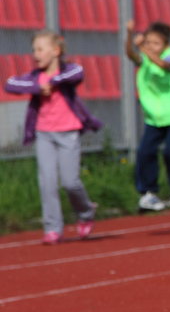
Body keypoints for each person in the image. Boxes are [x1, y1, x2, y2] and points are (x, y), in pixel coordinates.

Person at [4, 30, 101, 244]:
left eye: (40, 49)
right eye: (33, 50)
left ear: (55, 51)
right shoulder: (34, 77)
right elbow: (10, 83)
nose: (35, 54)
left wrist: (54, 81)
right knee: (47, 181)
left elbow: (77, 73)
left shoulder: (68, 71)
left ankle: (85, 212)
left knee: (70, 181)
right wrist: (38, 87)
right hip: (44, 133)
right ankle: (52, 228)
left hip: (68, 133)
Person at [124, 20, 170, 212]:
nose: (150, 46)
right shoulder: (144, 57)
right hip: (155, 116)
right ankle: (149, 193)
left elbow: (164, 65)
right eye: (148, 42)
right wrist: (129, 35)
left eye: (155, 43)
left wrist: (143, 49)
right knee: (145, 151)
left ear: (165, 44)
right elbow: (131, 54)